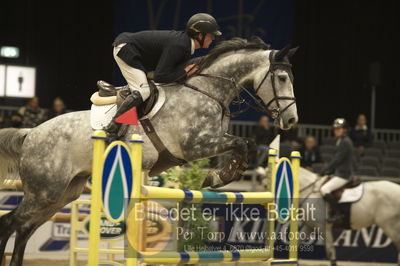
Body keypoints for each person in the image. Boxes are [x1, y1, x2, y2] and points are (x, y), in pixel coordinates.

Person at [103, 13, 221, 140]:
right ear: (200, 35)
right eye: (211, 35)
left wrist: (184, 73)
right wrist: (184, 73)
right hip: (126, 49)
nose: (213, 38)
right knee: (143, 91)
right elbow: (161, 76)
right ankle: (111, 129)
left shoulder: (185, 46)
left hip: (139, 56)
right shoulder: (180, 46)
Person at [319, 118, 354, 223]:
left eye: (339, 129)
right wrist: (329, 171)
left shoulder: (345, 142)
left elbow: (337, 159)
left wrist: (325, 170)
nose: (336, 131)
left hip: (343, 175)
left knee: (324, 189)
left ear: (345, 130)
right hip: (339, 173)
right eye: (335, 129)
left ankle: (338, 214)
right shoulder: (341, 140)